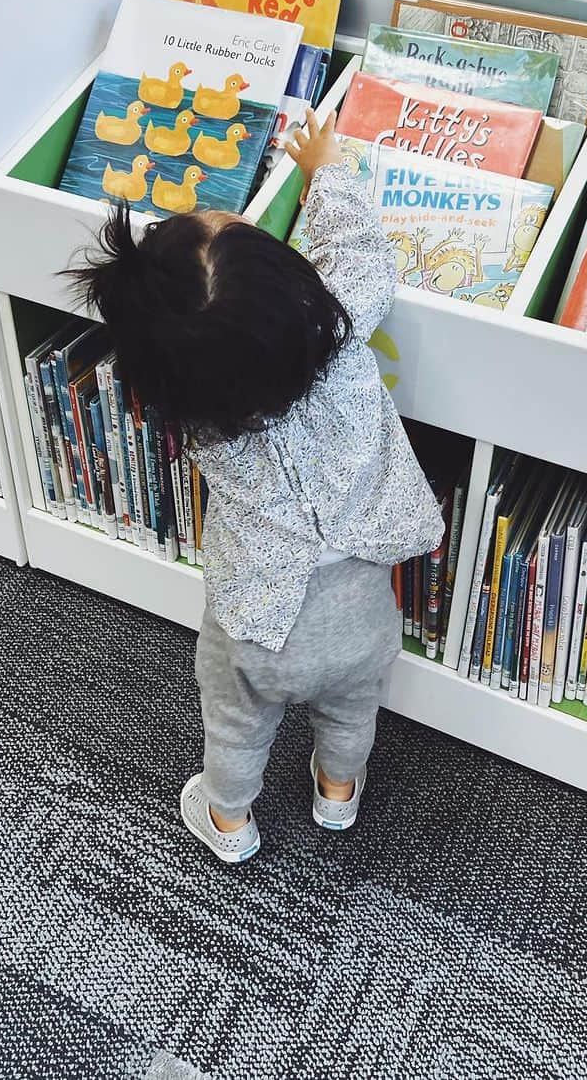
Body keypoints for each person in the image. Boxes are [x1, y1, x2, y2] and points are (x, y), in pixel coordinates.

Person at [74, 111, 443, 863]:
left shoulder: (200, 421)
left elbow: (182, 347)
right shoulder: (339, 345)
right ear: (302, 298)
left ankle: (230, 820)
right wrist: (325, 168)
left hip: (255, 622)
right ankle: (337, 794)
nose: (233, 212)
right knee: (349, 708)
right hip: (361, 608)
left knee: (237, 723)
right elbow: (362, 258)